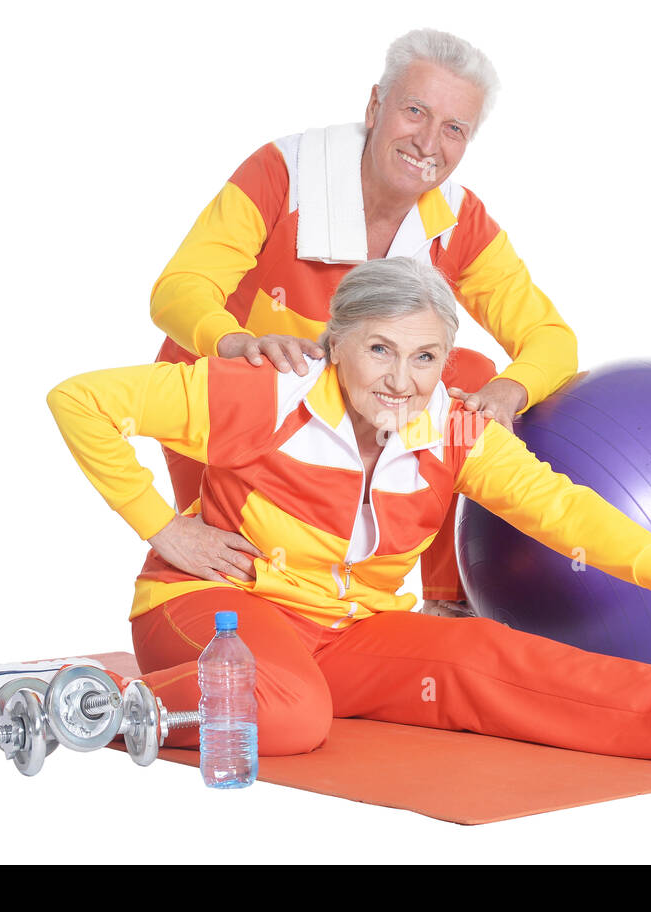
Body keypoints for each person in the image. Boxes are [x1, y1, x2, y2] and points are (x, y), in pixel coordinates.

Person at [0, 258, 651, 766]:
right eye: (381, 351)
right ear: (335, 345)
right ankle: (58, 702)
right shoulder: (260, 394)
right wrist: (164, 528)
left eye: (430, 357)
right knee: (285, 716)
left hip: (346, 632)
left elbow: (564, 510)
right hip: (212, 611)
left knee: (478, 652)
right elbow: (80, 399)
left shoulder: (452, 427)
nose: (404, 380)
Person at [148, 28, 580, 617]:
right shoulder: (285, 172)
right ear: (375, 105)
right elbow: (179, 289)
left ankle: (448, 602)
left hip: (352, 408)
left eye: (455, 129)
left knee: (471, 375)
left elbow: (551, 339)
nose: (429, 142)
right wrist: (237, 341)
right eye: (415, 111)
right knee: (246, 585)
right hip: (243, 399)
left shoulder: (459, 219)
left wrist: (508, 391)